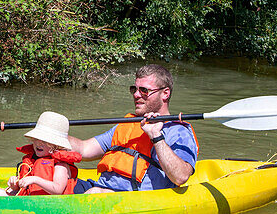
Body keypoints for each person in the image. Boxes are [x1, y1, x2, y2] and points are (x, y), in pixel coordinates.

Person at [68, 65, 197, 192]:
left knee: (95, 193)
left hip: (129, 200)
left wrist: (156, 136)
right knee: (50, 175)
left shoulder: (178, 131)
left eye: (144, 90)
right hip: (100, 188)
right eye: (134, 89)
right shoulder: (128, 124)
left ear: (165, 94)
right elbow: (84, 149)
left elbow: (180, 177)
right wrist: (52, 133)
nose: (136, 95)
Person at [0, 111, 82, 196]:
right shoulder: (31, 160)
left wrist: (35, 179)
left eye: (45, 141)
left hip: (49, 205)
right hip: (29, 201)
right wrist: (15, 185)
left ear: (56, 145)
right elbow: (23, 187)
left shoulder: (60, 165)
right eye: (36, 139)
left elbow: (57, 190)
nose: (38, 143)